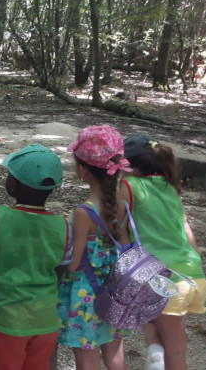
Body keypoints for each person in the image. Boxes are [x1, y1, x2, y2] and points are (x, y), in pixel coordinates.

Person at [0, 143, 71, 370]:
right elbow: (61, 269)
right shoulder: (64, 226)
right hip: (45, 320)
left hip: (3, 320)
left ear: (13, 185)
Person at [120, 135, 206, 370]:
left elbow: (119, 227)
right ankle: (154, 354)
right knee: (160, 327)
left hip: (163, 279)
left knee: (175, 351)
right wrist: (196, 263)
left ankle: (156, 355)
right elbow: (186, 230)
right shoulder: (171, 187)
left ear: (129, 167)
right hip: (191, 275)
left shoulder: (130, 186)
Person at [57, 125, 132, 370]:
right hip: (114, 292)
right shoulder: (122, 204)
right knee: (115, 352)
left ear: (81, 170)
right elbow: (123, 247)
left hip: (85, 296)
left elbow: (75, 263)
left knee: (87, 357)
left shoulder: (84, 212)